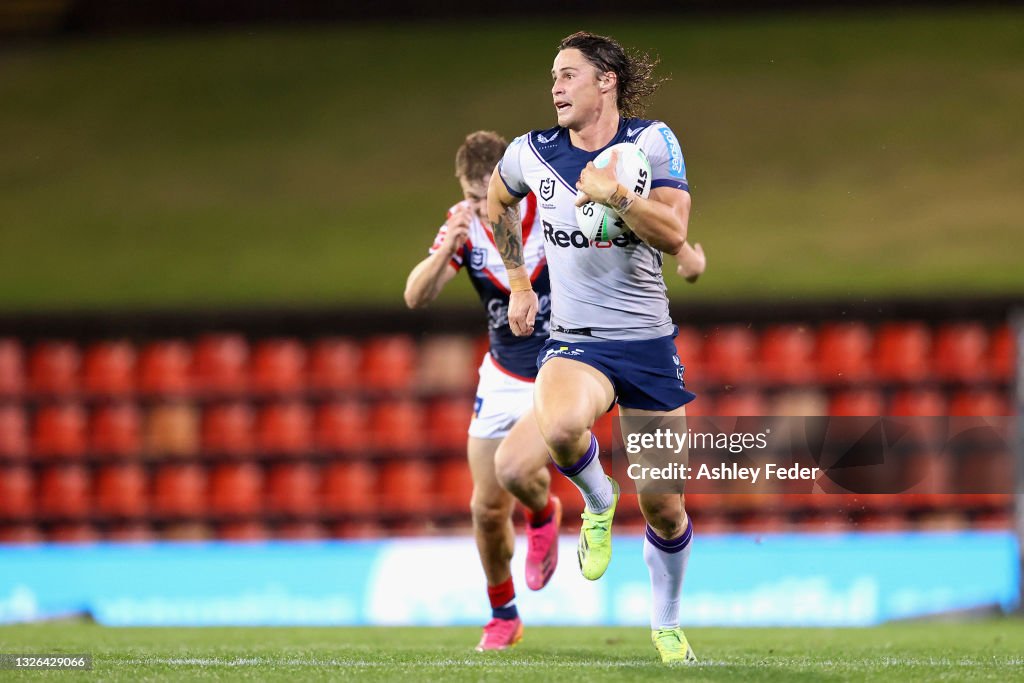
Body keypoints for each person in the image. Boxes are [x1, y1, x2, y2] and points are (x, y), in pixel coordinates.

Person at [486, 32, 701, 664]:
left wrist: (620, 197)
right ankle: (599, 499)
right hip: (577, 342)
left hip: (649, 346)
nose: (555, 86)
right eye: (552, 75)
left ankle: (666, 624)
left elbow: (675, 231)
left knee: (664, 507)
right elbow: (498, 200)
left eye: (568, 74)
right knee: (557, 425)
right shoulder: (532, 152)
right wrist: (520, 281)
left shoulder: (651, 143)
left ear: (605, 80)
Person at [404, 131, 562, 652]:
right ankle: (503, 614)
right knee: (486, 510)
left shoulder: (555, 207)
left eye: (488, 195)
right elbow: (414, 296)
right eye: (471, 197)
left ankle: (540, 512)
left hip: (562, 370)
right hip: (501, 375)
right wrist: (447, 246)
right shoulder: (466, 224)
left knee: (517, 470)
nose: (481, 207)